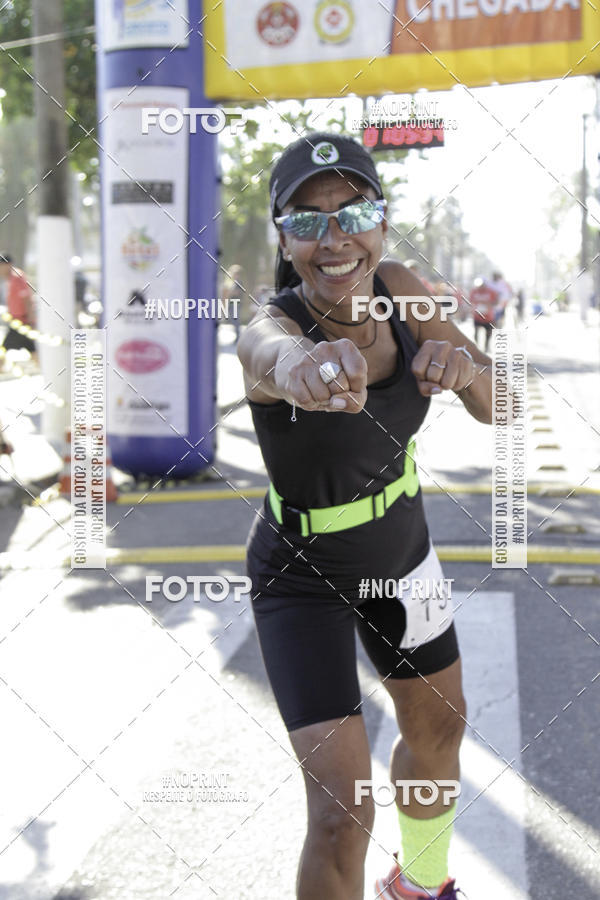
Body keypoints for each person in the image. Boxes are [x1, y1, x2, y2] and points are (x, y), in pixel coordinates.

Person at [237, 132, 493, 900]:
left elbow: (502, 402)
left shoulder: (408, 291)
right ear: (283, 239)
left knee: (438, 729)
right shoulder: (273, 322)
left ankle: (420, 883)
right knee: (340, 815)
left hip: (398, 553)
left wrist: (468, 368)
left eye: (354, 212)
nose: (334, 237)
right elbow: (266, 354)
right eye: (307, 222)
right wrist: (303, 369)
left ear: (382, 221)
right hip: (299, 574)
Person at [0, 253, 38, 368]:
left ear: (8, 265)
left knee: (4, 348)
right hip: (17, 320)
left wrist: (31, 319)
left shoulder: (17, 277)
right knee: (31, 349)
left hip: (22, 320)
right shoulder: (10, 279)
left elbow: (26, 298)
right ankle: (43, 367)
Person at [469, 277, 499, 353]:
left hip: (488, 317)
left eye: (483, 285)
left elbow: (496, 301)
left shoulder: (491, 292)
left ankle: (486, 347)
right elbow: (471, 300)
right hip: (477, 316)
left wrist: (489, 304)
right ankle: (476, 347)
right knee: (476, 332)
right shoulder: (474, 291)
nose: (481, 287)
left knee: (488, 333)